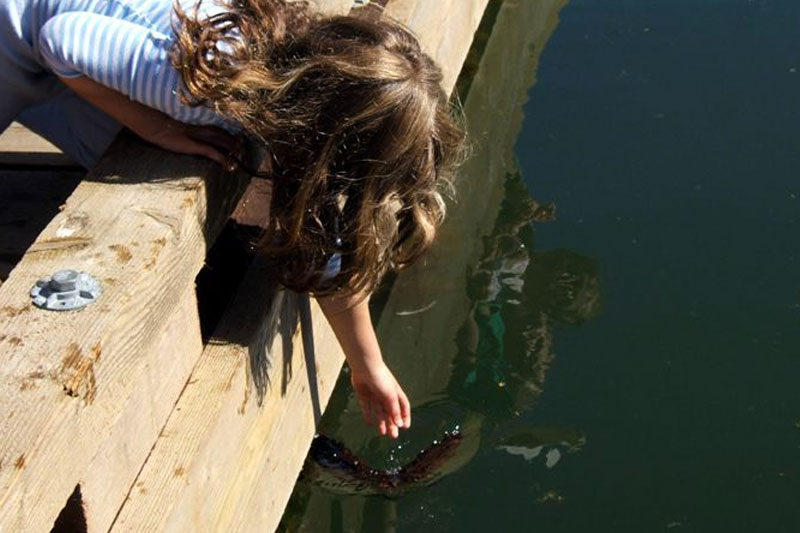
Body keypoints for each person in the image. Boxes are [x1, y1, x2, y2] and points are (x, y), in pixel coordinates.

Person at [0, 0, 464, 439]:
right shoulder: (200, 95)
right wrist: (159, 128)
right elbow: (61, 40)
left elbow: (326, 241)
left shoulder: (281, 69)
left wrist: (368, 365)